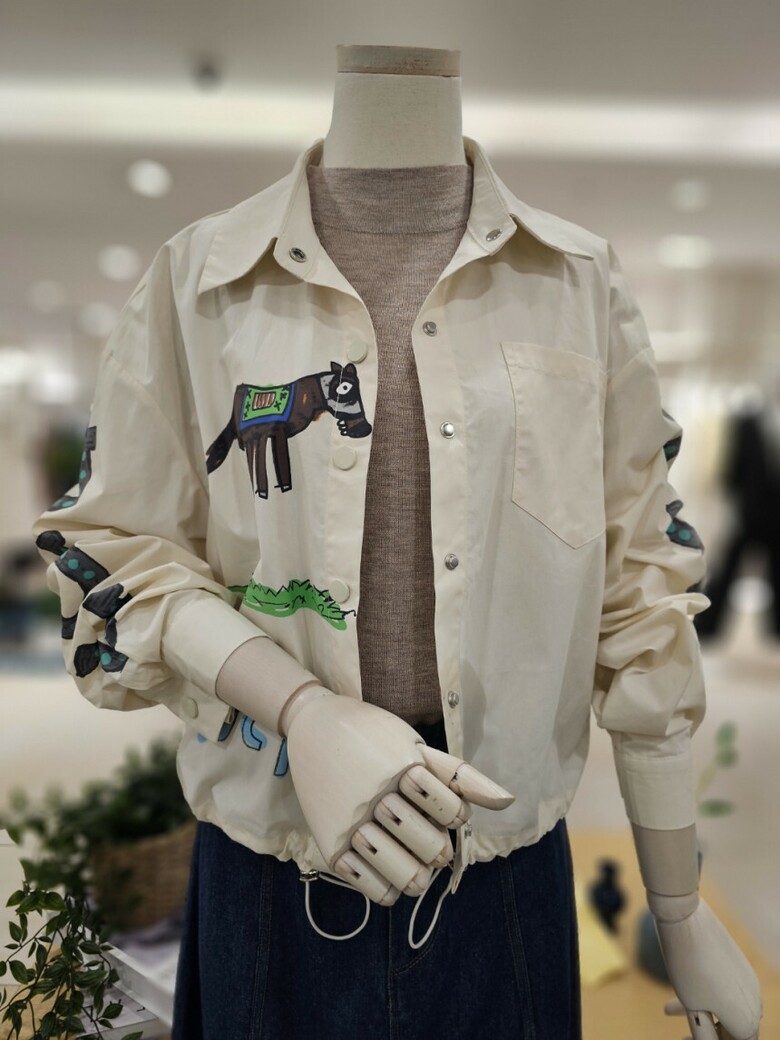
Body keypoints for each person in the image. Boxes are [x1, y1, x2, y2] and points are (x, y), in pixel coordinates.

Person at [31, 43, 761, 1040]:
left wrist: (678, 908)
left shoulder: (577, 280)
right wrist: (299, 708)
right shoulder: (198, 279)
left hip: (500, 868)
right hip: (273, 871)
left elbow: (640, 588)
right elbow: (112, 549)